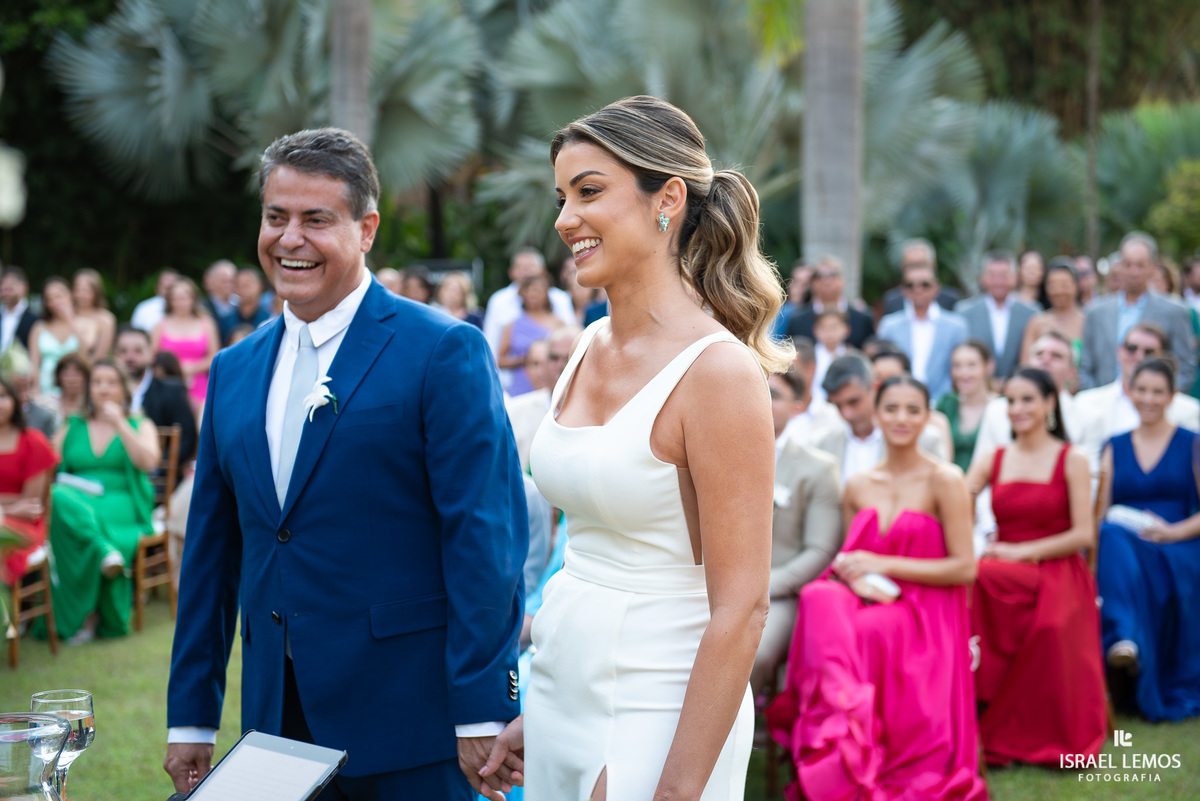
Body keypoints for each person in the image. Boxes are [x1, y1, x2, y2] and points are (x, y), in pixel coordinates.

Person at [165, 128, 527, 801]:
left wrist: (481, 705)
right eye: (276, 217)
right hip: (275, 722)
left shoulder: (442, 350)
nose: (289, 238)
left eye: (315, 219)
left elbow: (482, 537)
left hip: (410, 721)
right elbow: (212, 556)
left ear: (366, 228)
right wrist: (191, 712)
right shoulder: (233, 369)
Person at [505, 94, 786, 800]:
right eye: (562, 196)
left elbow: (743, 605)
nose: (566, 220)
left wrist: (677, 788)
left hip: (657, 705)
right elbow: (589, 538)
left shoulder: (718, 374)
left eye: (589, 192)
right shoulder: (589, 343)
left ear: (667, 199)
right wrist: (538, 706)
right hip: (560, 688)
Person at [766, 375, 987, 801]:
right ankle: (840, 740)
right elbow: (851, 561)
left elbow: (965, 568)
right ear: (876, 412)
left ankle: (839, 745)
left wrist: (883, 564)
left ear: (927, 418)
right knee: (817, 595)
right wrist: (860, 575)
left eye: (912, 410)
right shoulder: (860, 484)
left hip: (926, 610)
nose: (901, 418)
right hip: (871, 599)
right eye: (891, 408)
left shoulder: (945, 479)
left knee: (855, 634)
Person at [965, 367, 1105, 765]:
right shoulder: (995, 456)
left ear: (1049, 403)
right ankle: (973, 706)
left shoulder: (1071, 458)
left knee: (987, 579)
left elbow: (1082, 535)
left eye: (1028, 399)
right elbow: (959, 497)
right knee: (969, 579)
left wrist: (1019, 552)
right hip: (1003, 567)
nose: (1018, 409)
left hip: (1057, 569)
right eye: (1010, 400)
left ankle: (1018, 719)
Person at [1097, 358, 1200, 721]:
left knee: (1113, 543)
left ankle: (1124, 640)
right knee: (1109, 535)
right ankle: (1124, 639)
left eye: (1158, 391)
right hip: (1125, 543)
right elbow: (1102, 510)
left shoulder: (1193, 444)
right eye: (1141, 389)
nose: (1149, 398)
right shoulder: (1113, 445)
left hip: (1179, 543)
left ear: (1172, 396)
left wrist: (1173, 532)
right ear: (1129, 391)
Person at [48, 359, 160, 642]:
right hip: (77, 502)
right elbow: (46, 468)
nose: (104, 389)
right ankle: (103, 552)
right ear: (89, 389)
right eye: (97, 382)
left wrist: (121, 424)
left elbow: (149, 462)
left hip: (122, 502)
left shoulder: (139, 423)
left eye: (111, 382)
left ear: (124, 388)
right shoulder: (72, 426)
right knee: (59, 496)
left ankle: (89, 617)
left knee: (78, 525)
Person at [752, 368, 842, 696]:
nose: (762, 399)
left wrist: (765, 587)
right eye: (755, 389)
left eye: (774, 394)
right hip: (708, 584)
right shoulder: (718, 450)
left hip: (777, 593)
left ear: (799, 406)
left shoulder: (817, 468)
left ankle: (729, 734)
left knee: (753, 654)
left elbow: (820, 550)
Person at [1079, 232, 1196, 391]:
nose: (1133, 272)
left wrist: (1162, 400)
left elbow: (1185, 368)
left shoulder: (1174, 311)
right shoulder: (1096, 311)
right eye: (1127, 264)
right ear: (1119, 266)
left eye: (1140, 265)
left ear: (1152, 267)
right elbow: (1086, 366)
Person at [1075, 323, 1199, 471]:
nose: (1139, 356)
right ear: (1119, 351)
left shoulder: (1189, 410)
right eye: (1132, 348)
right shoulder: (1085, 402)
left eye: (1149, 351)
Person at [814, 353, 945, 486]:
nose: (846, 414)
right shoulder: (822, 445)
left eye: (854, 402)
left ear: (875, 387)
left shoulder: (925, 441)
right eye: (838, 405)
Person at [482, 248, 575, 391]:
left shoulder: (561, 300)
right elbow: (491, 345)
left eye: (530, 267)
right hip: (514, 383)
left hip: (555, 382)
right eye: (520, 267)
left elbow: (572, 340)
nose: (525, 272)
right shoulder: (500, 303)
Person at [877, 260, 968, 401]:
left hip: (943, 402)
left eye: (924, 284)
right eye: (910, 285)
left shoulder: (956, 326)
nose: (918, 290)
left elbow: (960, 368)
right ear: (904, 290)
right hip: (899, 400)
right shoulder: (889, 326)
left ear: (936, 288)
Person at [0, 377, 59, 589]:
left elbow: (30, 504)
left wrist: (7, 511)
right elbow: (18, 504)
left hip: (23, 525)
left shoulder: (33, 442)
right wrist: (9, 508)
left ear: (15, 400)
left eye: (3, 396)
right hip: (11, 515)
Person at [116, 326, 198, 471]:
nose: (130, 357)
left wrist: (157, 467)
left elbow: (186, 438)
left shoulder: (172, 391)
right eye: (123, 351)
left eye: (138, 351)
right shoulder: (102, 393)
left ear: (151, 354)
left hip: (159, 477)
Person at [506, 327, 581, 471]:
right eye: (554, 358)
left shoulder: (601, 416)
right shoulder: (515, 411)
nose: (561, 366)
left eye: (569, 358)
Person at [955, 250, 1038, 379]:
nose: (998, 281)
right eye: (992, 275)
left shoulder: (1031, 312)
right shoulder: (964, 312)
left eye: (1004, 275)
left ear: (1015, 277)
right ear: (982, 277)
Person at [151, 277, 221, 413]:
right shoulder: (159, 326)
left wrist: (192, 368)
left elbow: (215, 355)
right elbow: (153, 356)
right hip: (168, 383)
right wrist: (175, 370)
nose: (180, 303)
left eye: (184, 298)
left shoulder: (207, 323)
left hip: (200, 383)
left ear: (193, 299)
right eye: (175, 299)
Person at [784, 255, 875, 349]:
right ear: (812, 283)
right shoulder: (797, 320)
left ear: (843, 280)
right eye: (819, 276)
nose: (826, 281)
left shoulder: (863, 319)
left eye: (832, 275)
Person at [497, 274, 565, 397]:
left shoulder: (558, 323)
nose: (533, 294)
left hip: (549, 382)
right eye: (529, 290)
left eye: (538, 290)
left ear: (546, 293)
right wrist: (524, 360)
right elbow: (500, 361)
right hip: (520, 385)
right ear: (523, 294)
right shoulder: (513, 324)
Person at [936, 340, 998, 471]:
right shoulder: (946, 404)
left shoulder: (1001, 406)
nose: (963, 373)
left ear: (989, 366)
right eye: (957, 366)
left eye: (971, 365)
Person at [1018, 258, 1086, 366]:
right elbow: (1026, 365)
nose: (1059, 291)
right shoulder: (1036, 323)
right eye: (1052, 285)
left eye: (1065, 285)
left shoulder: (1087, 321)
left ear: (1076, 286)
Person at [28, 276, 82, 400]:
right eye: (49, 298)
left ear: (70, 295)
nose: (55, 302)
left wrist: (70, 320)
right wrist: (36, 393)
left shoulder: (83, 323)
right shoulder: (39, 327)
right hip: (45, 389)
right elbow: (34, 365)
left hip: (74, 389)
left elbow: (87, 356)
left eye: (59, 296)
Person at [881, 239, 963, 315]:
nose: (917, 271)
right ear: (902, 268)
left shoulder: (950, 300)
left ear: (933, 266)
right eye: (911, 266)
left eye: (921, 265)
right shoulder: (892, 302)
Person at [71, 268, 117, 361]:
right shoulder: (66, 315)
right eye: (77, 290)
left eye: (86, 290)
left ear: (96, 292)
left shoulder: (106, 319)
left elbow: (100, 355)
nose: (81, 294)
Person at [224, 268, 271, 342]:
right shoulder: (225, 321)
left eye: (247, 285)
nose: (243, 289)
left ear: (260, 285)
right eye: (239, 285)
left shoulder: (270, 319)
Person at [0, 266, 38, 354]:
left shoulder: (35, 319)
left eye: (10, 288)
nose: (6, 293)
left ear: (25, 287)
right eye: (3, 289)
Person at [130, 269, 179, 334]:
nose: (169, 292)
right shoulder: (144, 308)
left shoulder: (192, 308)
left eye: (172, 288)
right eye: (166, 288)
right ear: (157, 287)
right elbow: (134, 334)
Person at [52, 352, 90, 424]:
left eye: (77, 374)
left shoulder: (91, 406)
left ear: (86, 377)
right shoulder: (48, 405)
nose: (72, 380)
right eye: (67, 374)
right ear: (59, 377)